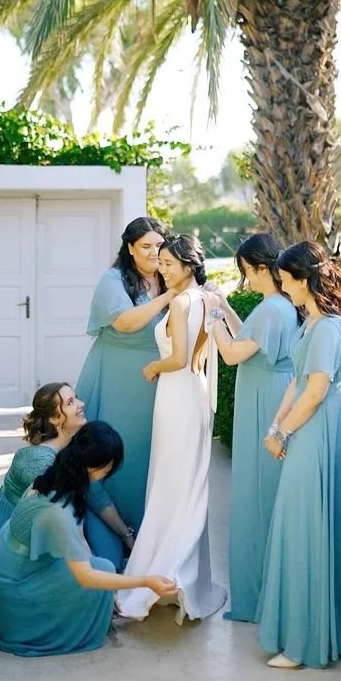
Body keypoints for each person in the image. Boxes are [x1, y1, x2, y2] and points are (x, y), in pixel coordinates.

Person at [0, 421, 178, 657]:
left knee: (102, 567)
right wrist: (146, 581)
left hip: (0, 570)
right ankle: (42, 623)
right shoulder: (57, 511)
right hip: (10, 592)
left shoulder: (55, 476)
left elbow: (79, 539)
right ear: (97, 467)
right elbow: (86, 578)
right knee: (100, 575)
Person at [115, 234, 226, 623]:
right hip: (192, 396)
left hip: (177, 393)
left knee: (171, 483)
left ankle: (171, 573)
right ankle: (181, 575)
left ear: (189, 265)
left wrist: (152, 367)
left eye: (168, 263)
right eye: (159, 262)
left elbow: (178, 358)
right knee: (184, 482)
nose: (161, 268)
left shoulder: (180, 302)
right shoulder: (208, 299)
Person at [257, 241, 341, 669]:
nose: (282, 286)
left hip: (315, 433)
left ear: (303, 280)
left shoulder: (329, 327)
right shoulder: (310, 323)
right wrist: (275, 427)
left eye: (286, 279)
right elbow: (296, 383)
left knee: (304, 527)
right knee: (298, 526)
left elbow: (315, 391)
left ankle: (304, 643)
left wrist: (284, 430)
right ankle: (304, 633)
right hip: (302, 429)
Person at [0, 383, 132, 599]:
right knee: (91, 570)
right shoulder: (41, 463)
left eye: (76, 398)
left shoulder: (73, 445)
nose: (81, 404)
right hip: (13, 532)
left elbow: (96, 494)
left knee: (109, 553)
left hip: (50, 519)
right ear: (55, 419)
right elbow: (66, 522)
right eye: (71, 402)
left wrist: (127, 537)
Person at [205, 232, 299, 623]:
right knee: (265, 490)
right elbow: (250, 336)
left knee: (257, 493)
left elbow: (230, 354)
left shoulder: (273, 309)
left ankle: (260, 595)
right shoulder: (276, 307)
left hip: (265, 401)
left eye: (247, 272)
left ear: (263, 268)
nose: (246, 279)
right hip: (270, 391)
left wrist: (209, 317)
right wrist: (225, 306)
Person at [76, 216, 174, 531]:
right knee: (114, 453)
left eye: (159, 245)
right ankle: (111, 530)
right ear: (130, 248)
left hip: (155, 381)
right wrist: (171, 295)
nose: (153, 253)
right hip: (115, 378)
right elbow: (126, 322)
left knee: (148, 455)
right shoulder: (113, 280)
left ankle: (146, 533)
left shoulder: (168, 276)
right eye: (145, 246)